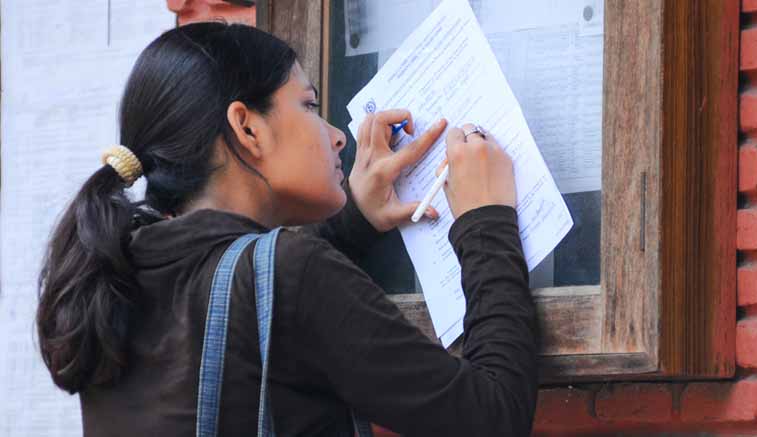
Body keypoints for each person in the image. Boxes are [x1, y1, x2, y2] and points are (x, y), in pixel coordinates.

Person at [36, 22, 537, 437]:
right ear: (247, 128)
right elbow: (492, 417)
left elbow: (253, 302)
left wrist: (354, 222)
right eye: (310, 106)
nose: (338, 137)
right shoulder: (292, 274)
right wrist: (485, 219)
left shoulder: (120, 268)